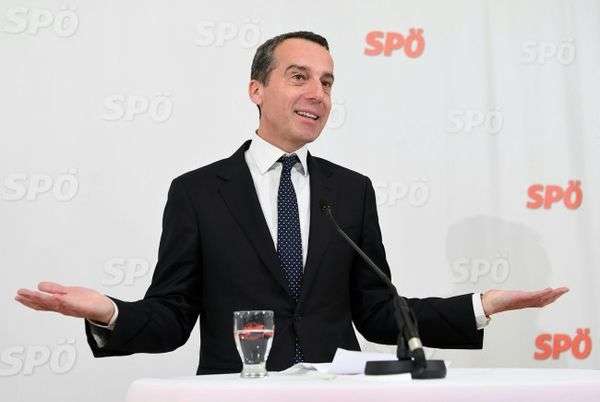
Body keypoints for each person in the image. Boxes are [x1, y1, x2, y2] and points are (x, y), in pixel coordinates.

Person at [14, 31, 569, 374]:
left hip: (337, 394)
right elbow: (171, 318)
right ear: (256, 89)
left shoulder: (351, 191)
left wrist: (481, 305)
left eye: (327, 83)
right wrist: (109, 312)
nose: (316, 94)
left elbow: (379, 314)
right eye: (299, 77)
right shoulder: (198, 192)